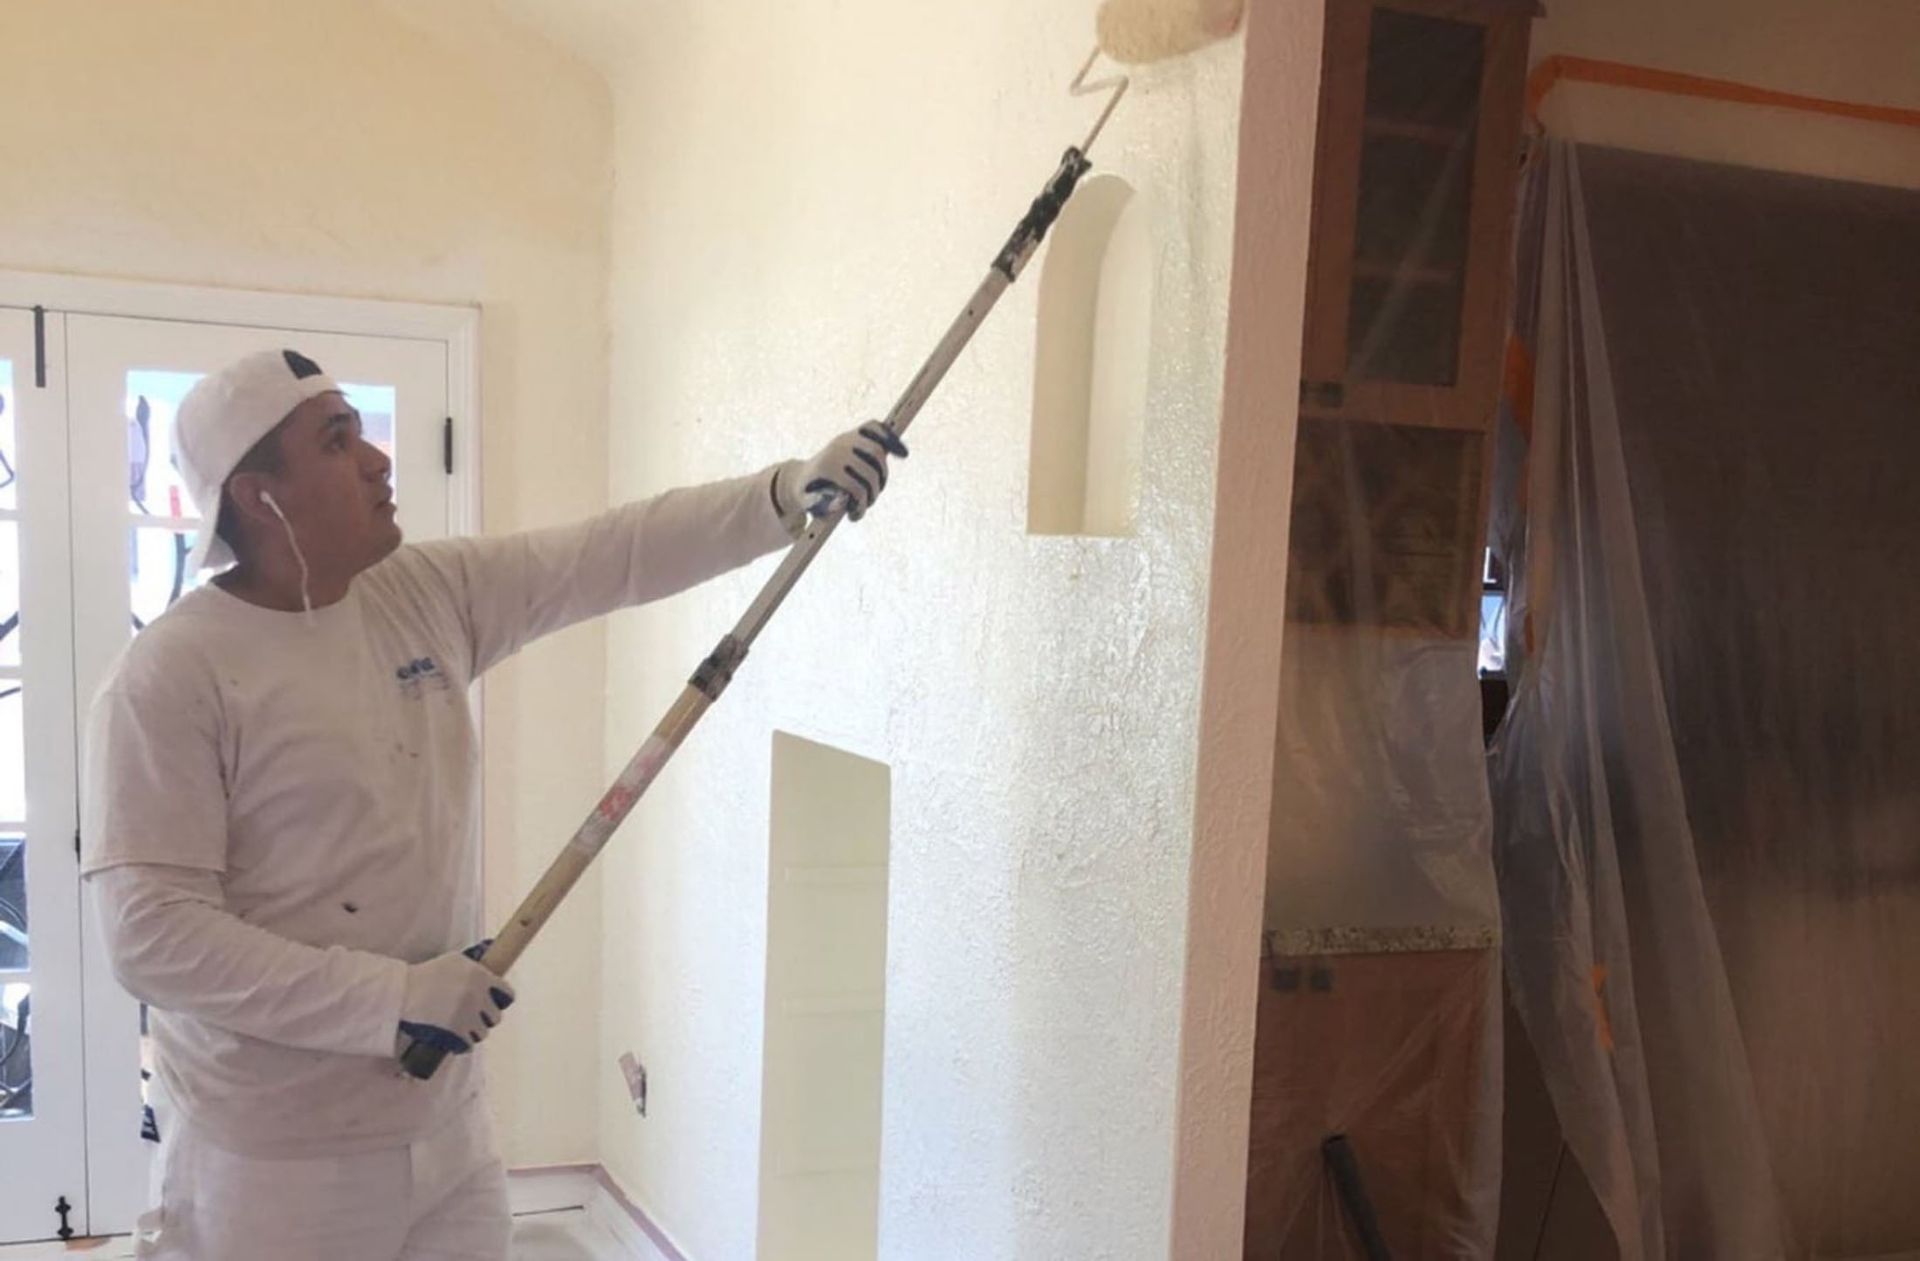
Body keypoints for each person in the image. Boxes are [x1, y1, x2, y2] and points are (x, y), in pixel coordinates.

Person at [80, 348, 905, 1260]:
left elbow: (606, 554)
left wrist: (782, 497)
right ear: (256, 494)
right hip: (274, 1159)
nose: (378, 460)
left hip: (448, 1130)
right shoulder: (172, 674)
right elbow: (154, 934)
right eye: (337, 440)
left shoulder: (421, 594)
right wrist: (393, 997)